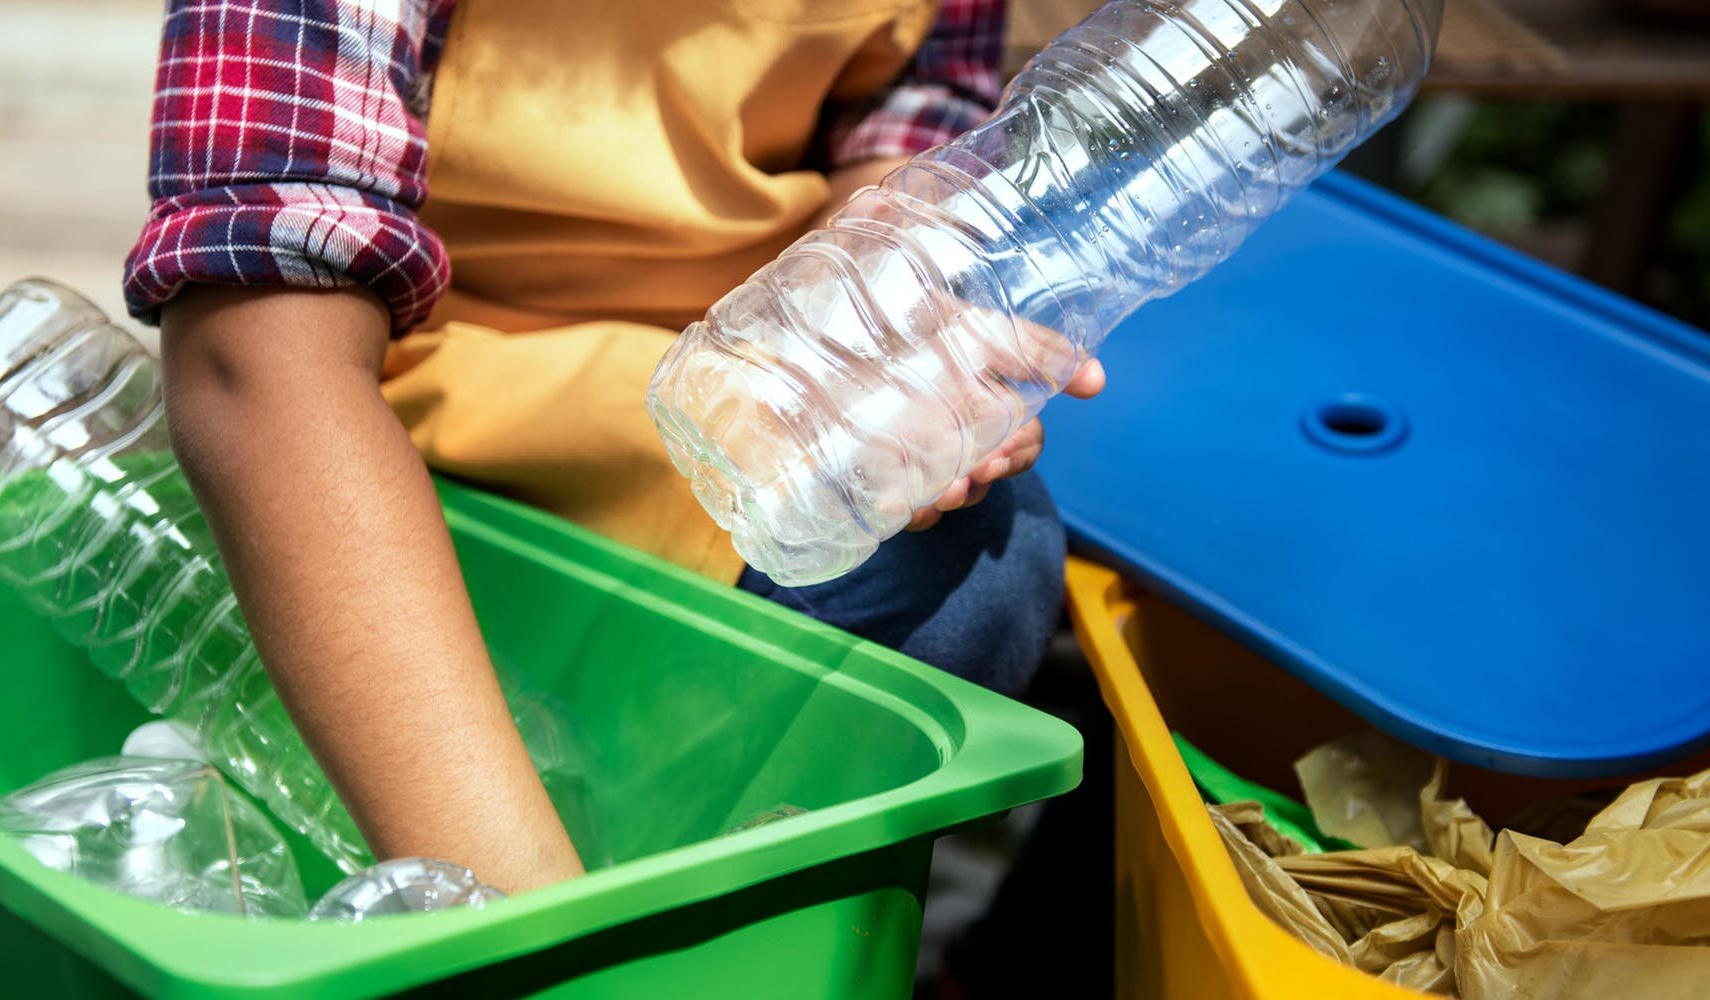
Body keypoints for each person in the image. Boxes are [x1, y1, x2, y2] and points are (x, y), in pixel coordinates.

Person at [126, 0, 1102, 894]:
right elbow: (250, 358)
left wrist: (883, 325)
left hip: (722, 384)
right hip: (410, 419)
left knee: (974, 558)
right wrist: (527, 923)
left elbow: (906, 114)